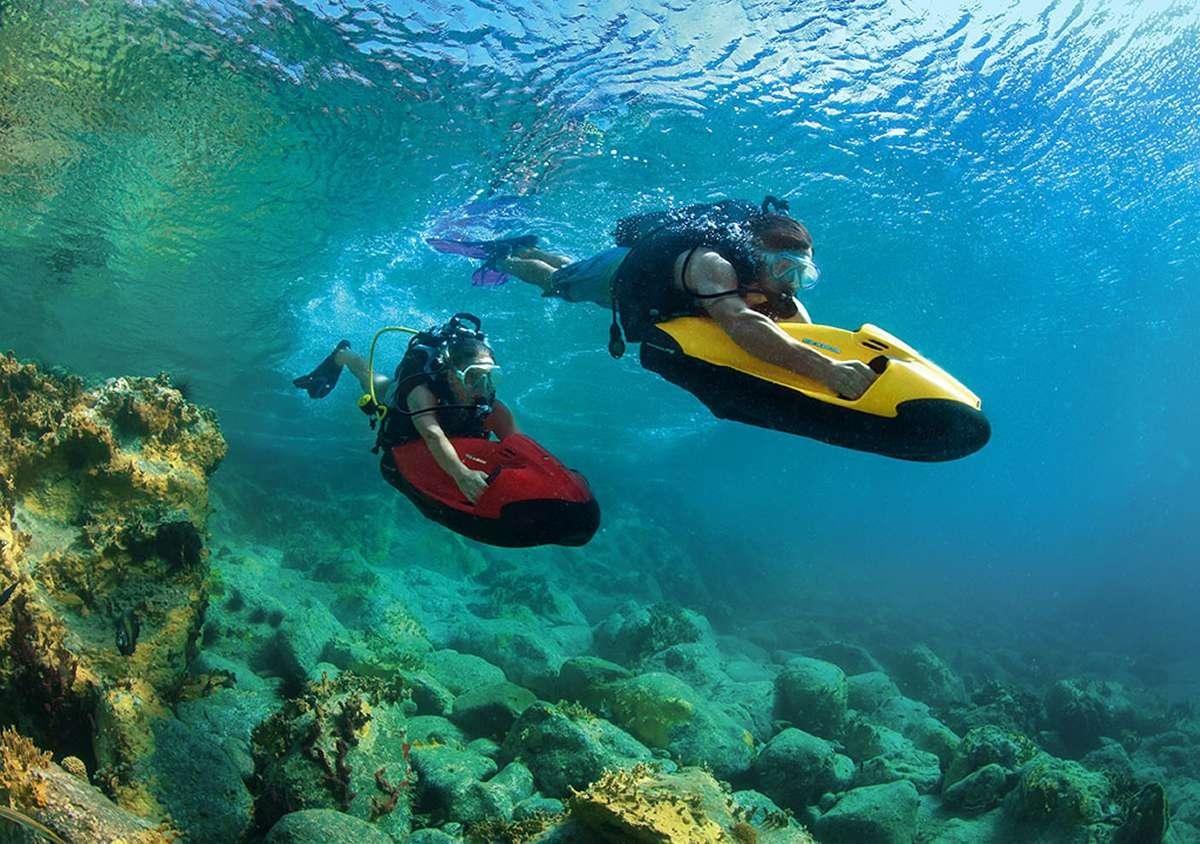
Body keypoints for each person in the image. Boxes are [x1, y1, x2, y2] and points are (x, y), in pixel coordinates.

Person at [430, 197, 878, 400]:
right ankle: (506, 257)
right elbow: (742, 323)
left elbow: (793, 315)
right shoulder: (714, 266)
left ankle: (530, 247)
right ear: (754, 255)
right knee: (559, 284)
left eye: (803, 273)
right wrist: (825, 370)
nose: (792, 282)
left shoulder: (763, 276)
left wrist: (825, 349)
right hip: (617, 274)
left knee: (571, 268)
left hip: (640, 278)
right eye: (785, 269)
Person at [293, 314, 516, 503]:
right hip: (401, 407)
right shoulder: (421, 393)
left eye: (491, 377)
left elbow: (519, 443)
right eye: (473, 377)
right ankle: (344, 355)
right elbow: (432, 435)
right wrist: (462, 474)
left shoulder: (491, 404)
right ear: (451, 375)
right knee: (371, 379)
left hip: (445, 424)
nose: (482, 387)